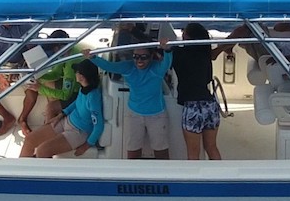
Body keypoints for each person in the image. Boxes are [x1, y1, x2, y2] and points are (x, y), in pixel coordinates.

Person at [94, 42, 175, 160]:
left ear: (151, 57)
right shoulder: (128, 67)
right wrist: (92, 57)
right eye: (136, 57)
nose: (139, 60)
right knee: (132, 151)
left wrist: (167, 50)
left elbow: (167, 63)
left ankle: (163, 177)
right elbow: (108, 66)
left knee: (161, 152)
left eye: (144, 57)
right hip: (134, 114)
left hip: (157, 115)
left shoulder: (157, 68)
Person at [172, 22, 227, 161]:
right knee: (212, 147)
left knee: (193, 153)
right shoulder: (206, 52)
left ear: (187, 36)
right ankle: (220, 179)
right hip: (210, 105)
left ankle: (194, 181)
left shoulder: (178, 53)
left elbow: (158, 51)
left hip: (192, 107)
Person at [26, 59, 103, 157]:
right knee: (30, 139)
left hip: (78, 132)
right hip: (67, 120)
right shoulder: (83, 88)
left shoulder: (93, 98)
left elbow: (98, 126)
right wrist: (61, 115)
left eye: (77, 72)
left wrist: (87, 145)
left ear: (82, 77)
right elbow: (76, 103)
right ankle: (16, 170)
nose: (75, 73)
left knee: (42, 151)